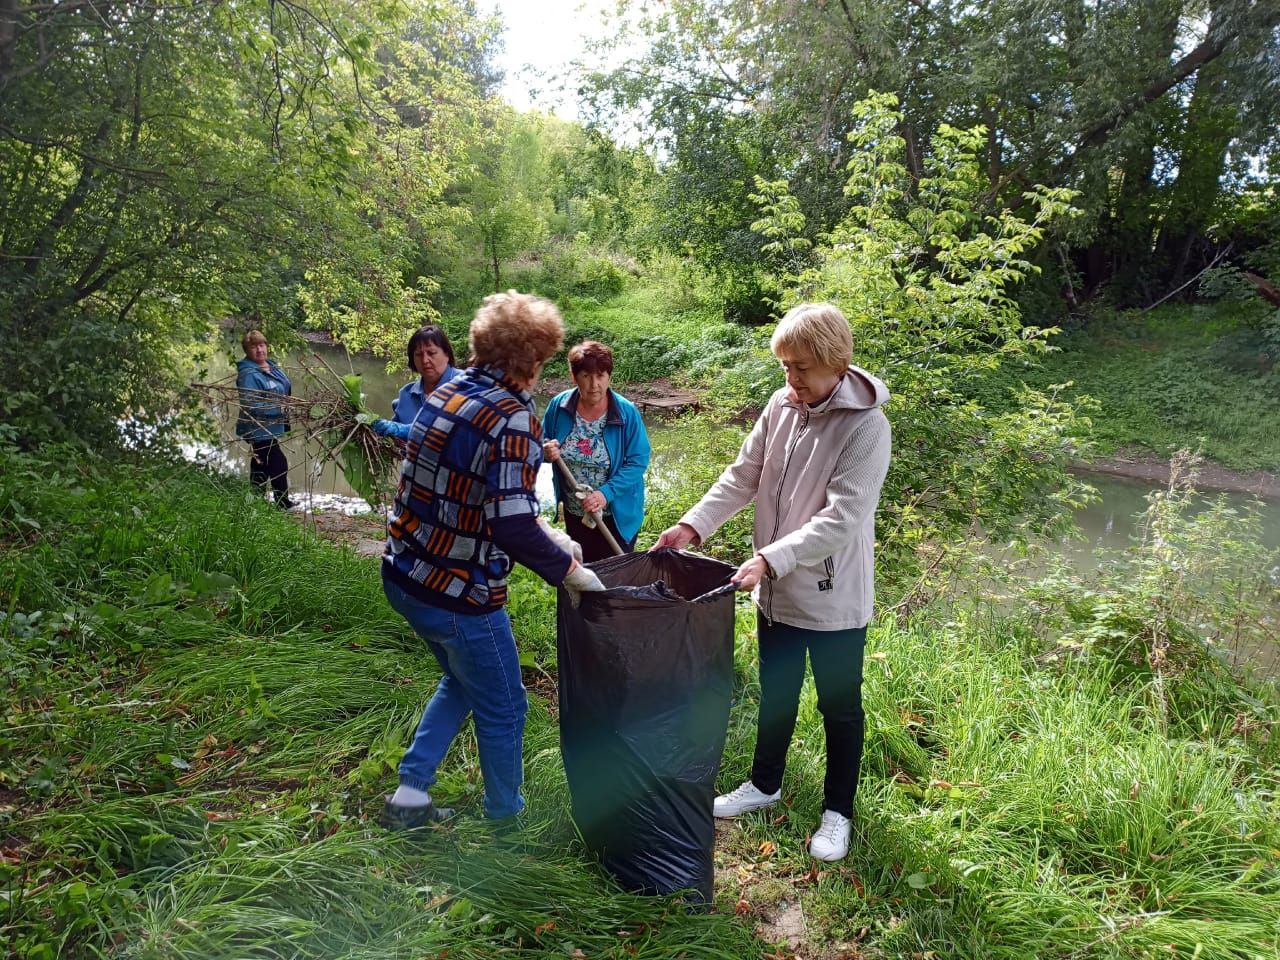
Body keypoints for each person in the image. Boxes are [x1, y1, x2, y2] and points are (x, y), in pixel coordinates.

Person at [652, 303, 891, 862]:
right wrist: (695, 523)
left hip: (832, 599)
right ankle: (764, 785)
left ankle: (838, 813)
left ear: (837, 362)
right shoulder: (782, 405)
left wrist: (769, 558)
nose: (791, 379)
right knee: (776, 694)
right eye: (784, 366)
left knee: (840, 707)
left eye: (801, 368)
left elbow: (843, 518)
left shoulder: (866, 426)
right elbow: (744, 476)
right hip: (776, 590)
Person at [373, 291, 605, 830]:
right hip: (456, 593)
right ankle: (507, 826)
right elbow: (510, 525)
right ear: (532, 360)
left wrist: (551, 535)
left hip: (404, 572)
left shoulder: (446, 394)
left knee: (462, 681)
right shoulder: (513, 418)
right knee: (505, 706)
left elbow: (487, 499)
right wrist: (570, 571)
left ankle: (409, 798)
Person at [542, 340, 651, 562]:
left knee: (614, 577)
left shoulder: (626, 413)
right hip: (577, 512)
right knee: (585, 572)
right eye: (586, 376)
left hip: (616, 515)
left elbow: (638, 461)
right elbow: (540, 442)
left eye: (600, 376)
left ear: (609, 377)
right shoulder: (559, 406)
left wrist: (604, 494)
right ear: (574, 377)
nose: (594, 385)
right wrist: (544, 452)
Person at [234, 330, 294, 509]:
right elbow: (250, 404)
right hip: (258, 428)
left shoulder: (271, 365)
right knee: (278, 463)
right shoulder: (248, 374)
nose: (259, 350)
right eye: (254, 347)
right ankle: (283, 504)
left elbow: (284, 387)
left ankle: (255, 502)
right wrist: (278, 408)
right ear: (247, 351)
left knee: (261, 464)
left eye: (261, 345)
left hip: (272, 427)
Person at [393, 324, 460, 427]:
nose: (425, 360)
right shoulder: (406, 394)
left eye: (431, 353)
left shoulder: (467, 385)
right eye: (419, 355)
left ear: (447, 354)